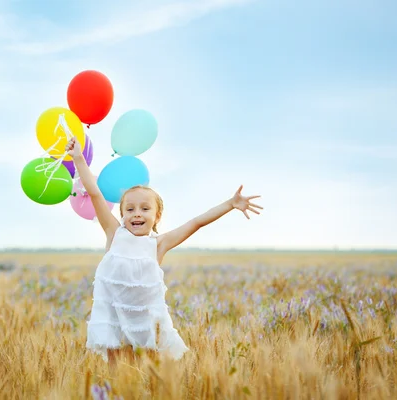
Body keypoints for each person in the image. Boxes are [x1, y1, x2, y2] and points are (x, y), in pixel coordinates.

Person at [65, 137, 263, 365]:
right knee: (117, 366)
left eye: (145, 208)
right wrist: (79, 158)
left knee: (147, 365)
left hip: (146, 319)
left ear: (156, 216)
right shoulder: (114, 233)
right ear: (122, 215)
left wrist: (229, 204)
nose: (136, 213)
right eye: (129, 209)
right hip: (114, 315)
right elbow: (96, 194)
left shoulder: (159, 244)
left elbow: (196, 222)